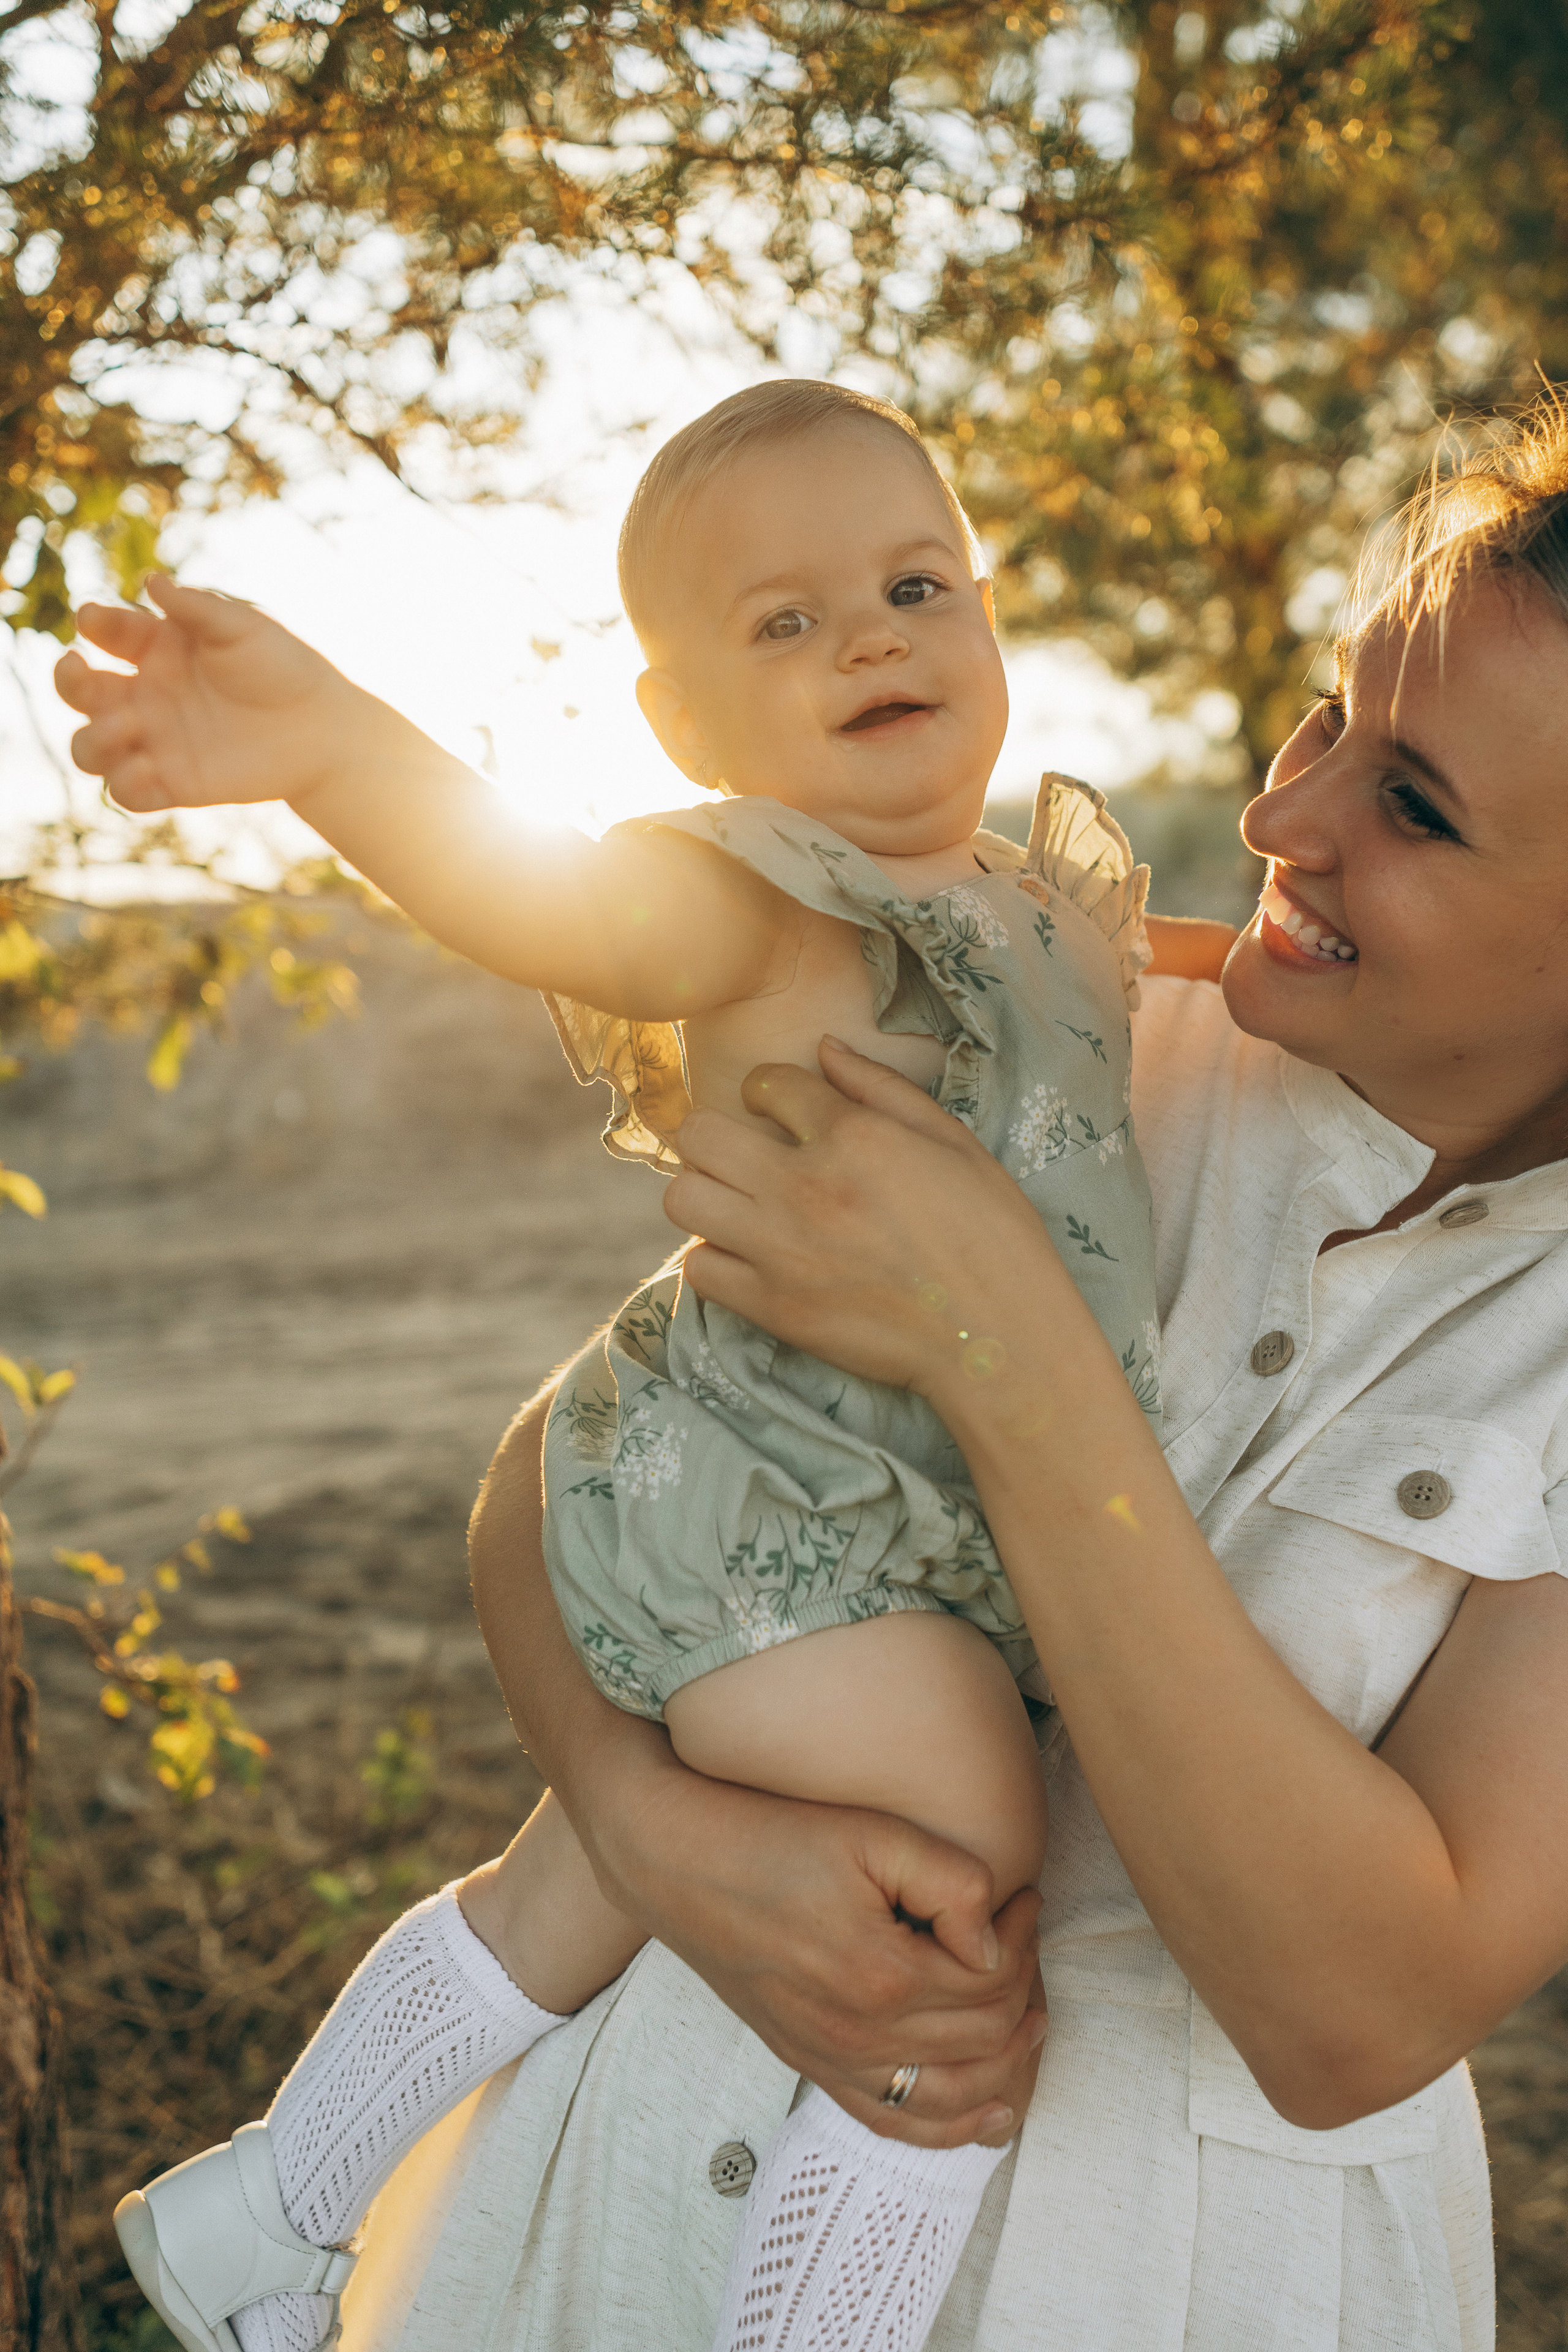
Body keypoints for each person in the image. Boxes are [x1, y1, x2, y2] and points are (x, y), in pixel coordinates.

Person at [330, 394, 1568, 2352]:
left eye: (1412, 806)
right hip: (638, 2193)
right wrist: (655, 1831)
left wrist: (1005, 1349)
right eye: (1327, 718)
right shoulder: (1067, 1042)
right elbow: (578, 1460)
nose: (1278, 820)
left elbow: (1359, 2018)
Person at [58, 380, 1196, 2352]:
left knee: (579, 1871)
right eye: (783, 622)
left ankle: (275, 2205)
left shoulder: (1042, 901)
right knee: (952, 1888)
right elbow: (538, 897)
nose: (869, 637)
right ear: (680, 727)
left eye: (918, 584)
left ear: (995, 622)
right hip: (779, 1503)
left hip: (877, 1515)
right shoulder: (759, 887)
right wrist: (333, 746)